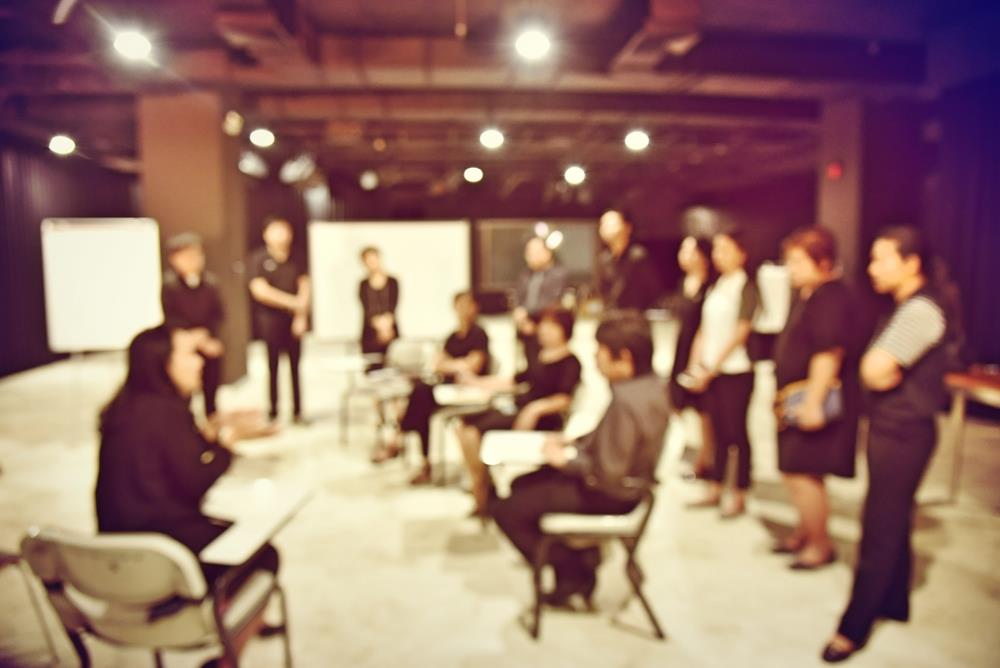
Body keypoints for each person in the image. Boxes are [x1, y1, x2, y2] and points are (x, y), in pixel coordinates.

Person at [822, 227, 962, 663]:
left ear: (911, 263)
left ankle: (854, 626)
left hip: (903, 432)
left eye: (882, 259)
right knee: (895, 517)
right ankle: (894, 601)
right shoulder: (909, 305)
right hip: (896, 429)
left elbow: (876, 370)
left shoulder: (920, 310)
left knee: (879, 525)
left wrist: (878, 370)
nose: (872, 268)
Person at [491, 313, 670, 606]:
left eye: (600, 350)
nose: (595, 357)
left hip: (613, 495)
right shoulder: (651, 386)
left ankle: (573, 568)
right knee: (523, 484)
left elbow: (607, 473)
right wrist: (573, 442)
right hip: (632, 489)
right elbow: (617, 439)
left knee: (506, 510)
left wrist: (564, 461)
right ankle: (574, 568)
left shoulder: (626, 400)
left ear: (624, 357)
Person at [94, 325, 279, 596]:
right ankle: (221, 619)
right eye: (190, 354)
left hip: (114, 553)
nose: (200, 362)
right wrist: (227, 444)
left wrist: (208, 434)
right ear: (163, 363)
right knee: (264, 553)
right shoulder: (167, 413)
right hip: (160, 556)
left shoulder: (124, 409)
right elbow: (195, 483)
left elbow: (165, 459)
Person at [772, 227, 860, 570]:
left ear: (823, 262)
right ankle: (805, 532)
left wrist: (812, 404)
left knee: (803, 472)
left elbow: (828, 352)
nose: (790, 269)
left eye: (798, 261)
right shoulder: (810, 293)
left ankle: (819, 544)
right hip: (794, 398)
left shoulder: (830, 297)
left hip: (811, 400)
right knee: (796, 469)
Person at [456, 308, 582, 516]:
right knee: (463, 425)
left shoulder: (571, 361)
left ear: (564, 330)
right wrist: (476, 382)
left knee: (472, 431)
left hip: (544, 418)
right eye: (544, 325)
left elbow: (564, 399)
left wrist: (534, 409)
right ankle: (482, 483)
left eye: (551, 326)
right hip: (520, 408)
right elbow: (515, 381)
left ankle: (481, 490)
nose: (544, 330)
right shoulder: (540, 356)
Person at [372, 291, 491, 483]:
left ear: (475, 307)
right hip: (446, 387)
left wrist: (451, 365)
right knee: (420, 397)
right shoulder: (452, 337)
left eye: (467, 304)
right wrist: (456, 365)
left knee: (421, 395)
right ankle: (407, 445)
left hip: (467, 389)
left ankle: (399, 439)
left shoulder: (479, 334)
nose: (463, 310)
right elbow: (438, 364)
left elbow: (473, 365)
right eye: (459, 305)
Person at [685, 227, 758, 518]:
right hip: (710, 372)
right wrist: (696, 364)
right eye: (716, 250)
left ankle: (739, 493)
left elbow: (741, 332)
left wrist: (712, 368)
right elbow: (704, 329)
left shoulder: (745, 286)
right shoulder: (717, 285)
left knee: (736, 434)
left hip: (735, 371)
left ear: (742, 254)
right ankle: (714, 488)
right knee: (715, 432)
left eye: (725, 250)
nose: (718, 256)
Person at [248, 217, 311, 423]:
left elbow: (305, 285)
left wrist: (301, 316)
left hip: (294, 321)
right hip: (270, 320)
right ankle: (273, 409)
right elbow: (260, 290)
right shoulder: (258, 259)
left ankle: (298, 411)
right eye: (276, 231)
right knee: (272, 366)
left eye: (285, 230)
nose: (281, 235)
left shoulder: (297, 257)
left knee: (295, 367)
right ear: (266, 234)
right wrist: (293, 303)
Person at [161, 233, 225, 419]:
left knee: (211, 389)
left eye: (197, 255)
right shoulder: (169, 285)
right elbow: (171, 317)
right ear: (174, 259)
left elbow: (218, 314)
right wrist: (192, 338)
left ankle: (212, 422)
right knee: (183, 394)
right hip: (183, 346)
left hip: (208, 342)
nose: (193, 260)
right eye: (187, 256)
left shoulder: (211, 283)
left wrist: (206, 336)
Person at [668, 236, 716, 480]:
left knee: (703, 410)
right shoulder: (683, 282)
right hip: (681, 348)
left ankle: (705, 460)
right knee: (678, 404)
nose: (683, 255)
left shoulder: (711, 286)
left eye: (689, 250)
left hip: (700, 352)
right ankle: (686, 453)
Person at [513, 236, 568, 368]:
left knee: (547, 367)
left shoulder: (558, 274)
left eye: (535, 252)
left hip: (547, 326)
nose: (531, 257)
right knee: (529, 366)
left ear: (547, 253)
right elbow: (518, 298)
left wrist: (529, 317)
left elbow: (552, 301)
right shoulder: (525, 275)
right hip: (525, 327)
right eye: (528, 253)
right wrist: (520, 316)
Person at [595, 209, 663, 311]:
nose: (606, 227)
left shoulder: (638, 256)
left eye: (611, 223)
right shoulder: (604, 260)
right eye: (603, 224)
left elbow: (654, 292)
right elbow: (601, 292)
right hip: (611, 315)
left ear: (627, 227)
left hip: (635, 316)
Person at [359, 246, 400, 359]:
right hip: (370, 333)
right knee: (371, 362)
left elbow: (393, 305)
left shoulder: (393, 282)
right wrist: (379, 326)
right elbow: (367, 308)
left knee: (393, 361)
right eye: (368, 261)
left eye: (374, 259)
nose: (372, 263)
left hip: (391, 329)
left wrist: (386, 327)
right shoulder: (363, 284)